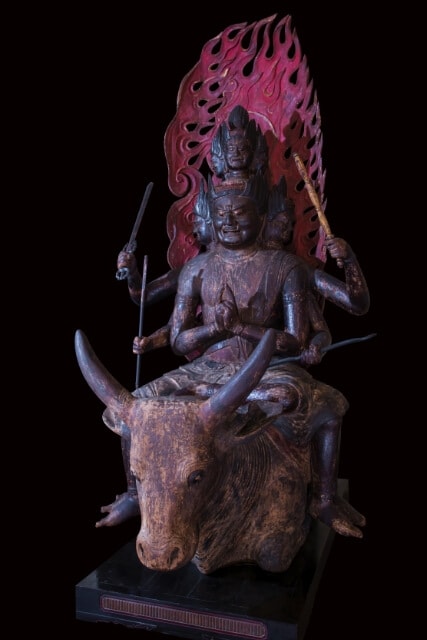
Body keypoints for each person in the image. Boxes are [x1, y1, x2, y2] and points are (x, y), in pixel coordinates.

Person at [98, 166, 369, 538]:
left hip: (267, 368)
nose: (229, 221)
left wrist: (241, 327)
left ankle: (323, 499)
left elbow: (293, 339)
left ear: (262, 218)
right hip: (206, 369)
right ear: (210, 220)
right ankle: (133, 493)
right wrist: (215, 330)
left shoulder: (284, 266)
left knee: (304, 400)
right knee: (131, 408)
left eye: (240, 212)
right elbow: (179, 342)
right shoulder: (196, 269)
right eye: (221, 213)